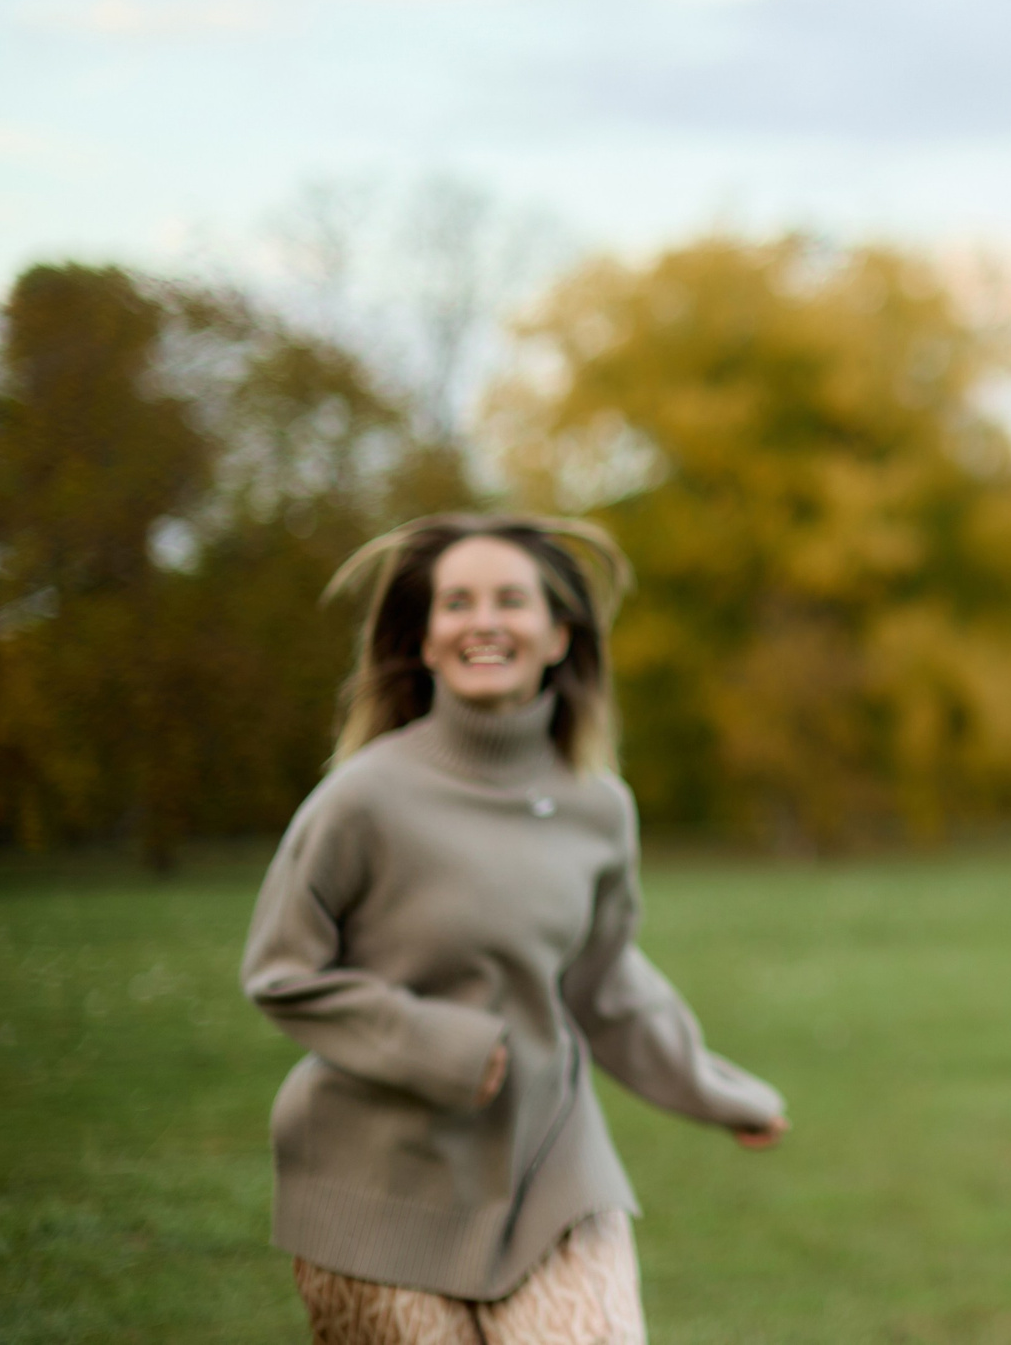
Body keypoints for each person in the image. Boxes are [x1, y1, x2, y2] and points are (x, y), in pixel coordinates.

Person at [241, 513, 785, 1345]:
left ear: (560, 634)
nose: (484, 621)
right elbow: (281, 970)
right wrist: (435, 1042)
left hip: (550, 1172)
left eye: (510, 600)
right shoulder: (363, 798)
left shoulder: (598, 806)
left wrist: (718, 1091)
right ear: (424, 641)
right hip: (375, 1184)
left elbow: (607, 986)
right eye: (457, 602)